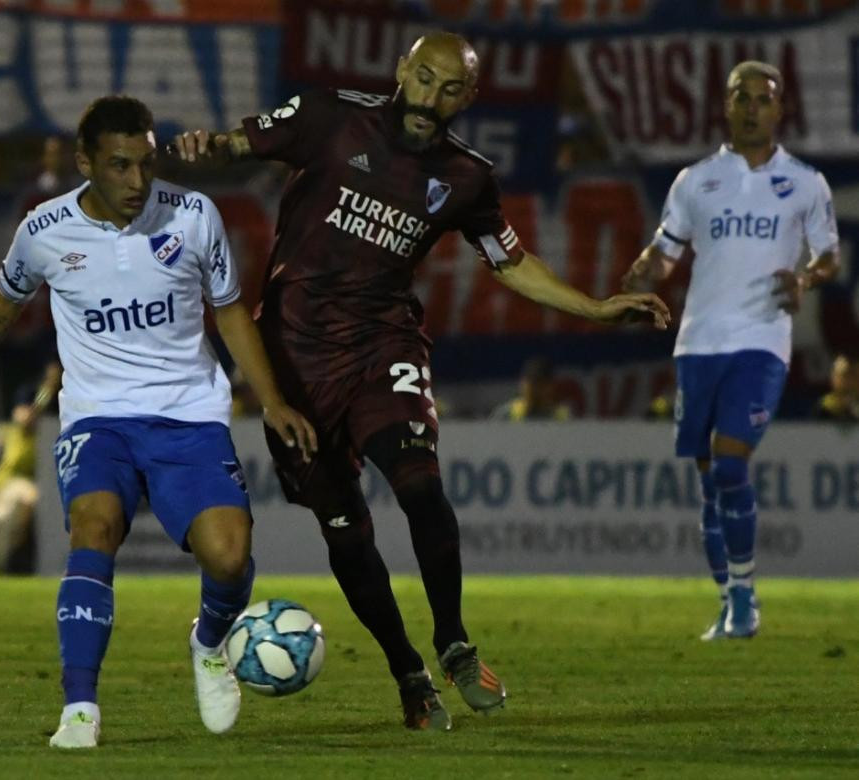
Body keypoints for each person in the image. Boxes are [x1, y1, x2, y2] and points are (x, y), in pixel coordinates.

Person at [172, 32, 670, 731]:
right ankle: (408, 671)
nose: (431, 99)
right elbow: (236, 144)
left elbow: (510, 261)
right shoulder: (329, 118)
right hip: (295, 357)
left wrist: (593, 306)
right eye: (424, 78)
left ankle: (453, 643)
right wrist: (205, 148)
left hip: (384, 343)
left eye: (449, 89)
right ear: (401, 70)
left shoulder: (468, 176)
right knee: (345, 528)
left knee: (420, 485)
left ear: (468, 96)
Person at [0, 96, 315, 750]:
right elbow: (1, 307)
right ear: (85, 163)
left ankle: (208, 642)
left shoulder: (195, 216)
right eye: (119, 166)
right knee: (95, 526)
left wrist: (273, 399)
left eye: (145, 163)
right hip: (97, 418)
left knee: (229, 559)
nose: (137, 181)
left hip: (188, 413)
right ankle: (80, 707)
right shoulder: (44, 229)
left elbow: (229, 313)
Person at [622, 61, 839, 640]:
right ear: (725, 105)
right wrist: (647, 270)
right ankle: (728, 600)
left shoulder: (807, 183)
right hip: (698, 343)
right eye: (740, 97)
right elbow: (666, 250)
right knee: (709, 481)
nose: (750, 107)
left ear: (779, 109)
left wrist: (805, 280)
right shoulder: (696, 181)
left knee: (729, 464)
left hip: (762, 341)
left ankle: (744, 598)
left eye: (762, 98)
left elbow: (829, 256)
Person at [0, 363, 62, 573]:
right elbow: (33, 412)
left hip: (38, 488)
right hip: (9, 485)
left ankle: (9, 566)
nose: (27, 413)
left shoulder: (46, 432)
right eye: (23, 408)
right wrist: (49, 386)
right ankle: (0, 568)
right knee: (27, 498)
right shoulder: (14, 431)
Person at [489, 357, 572, 421]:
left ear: (550, 387)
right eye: (531, 383)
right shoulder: (505, 415)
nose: (535, 390)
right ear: (522, 383)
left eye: (541, 384)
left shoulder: (563, 417)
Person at [813, 354, 859, 423]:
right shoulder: (825, 407)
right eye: (842, 376)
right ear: (833, 379)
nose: (847, 381)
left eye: (852, 375)